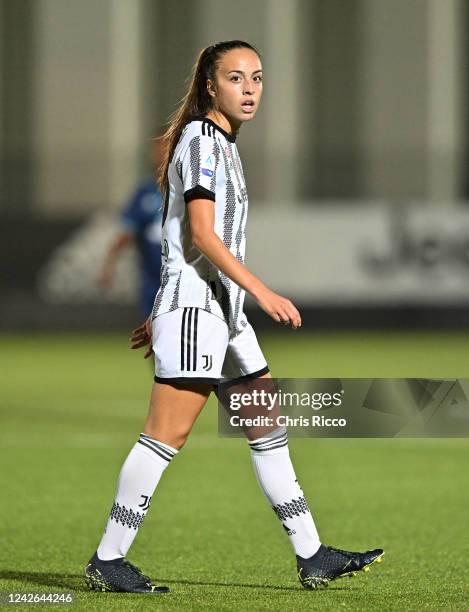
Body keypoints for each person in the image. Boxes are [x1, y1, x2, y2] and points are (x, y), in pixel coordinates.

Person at [85, 40, 384, 594]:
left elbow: (184, 244)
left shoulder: (222, 144)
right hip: (202, 312)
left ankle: (312, 554)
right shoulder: (201, 138)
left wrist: (172, 309)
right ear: (209, 86)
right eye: (236, 78)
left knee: (267, 427)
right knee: (165, 435)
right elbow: (201, 234)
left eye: (258, 78)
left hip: (216, 315)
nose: (250, 89)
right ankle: (108, 558)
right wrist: (260, 293)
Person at [98, 136, 164, 318]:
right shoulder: (144, 193)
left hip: (184, 278)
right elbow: (126, 232)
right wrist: (109, 264)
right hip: (152, 279)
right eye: (157, 148)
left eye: (167, 146)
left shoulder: (190, 190)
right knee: (156, 335)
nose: (161, 153)